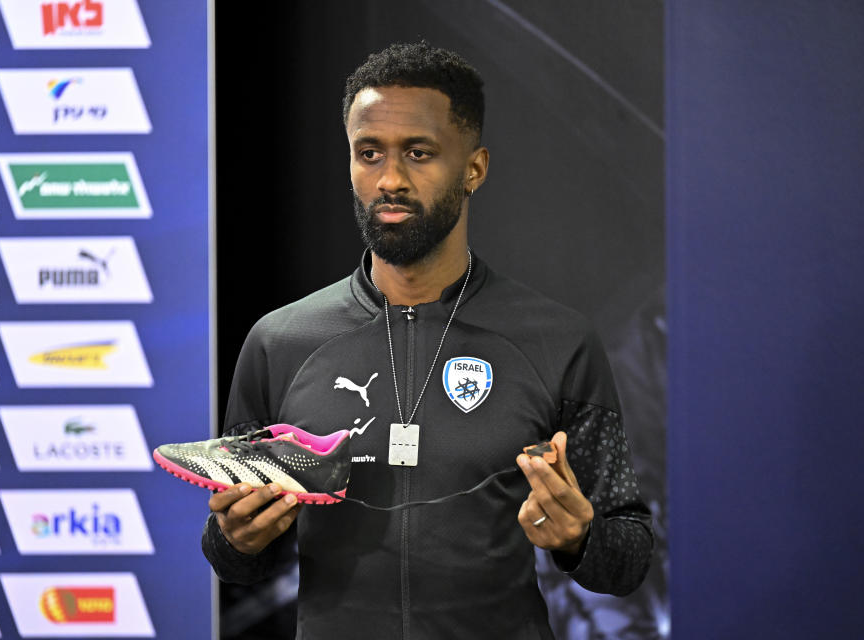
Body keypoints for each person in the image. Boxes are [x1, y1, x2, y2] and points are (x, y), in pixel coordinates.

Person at [201, 42, 652, 639]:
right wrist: (235, 540)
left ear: (474, 168)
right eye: (369, 154)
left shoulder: (557, 340)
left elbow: (629, 553)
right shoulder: (279, 341)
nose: (390, 179)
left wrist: (580, 539)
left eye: (419, 153)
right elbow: (235, 555)